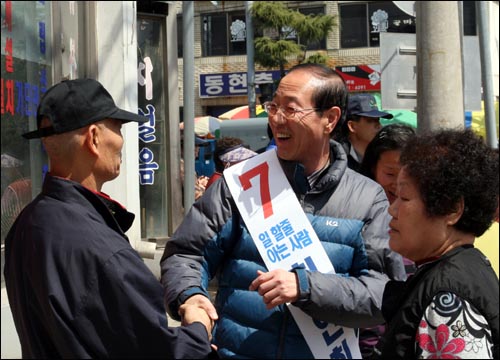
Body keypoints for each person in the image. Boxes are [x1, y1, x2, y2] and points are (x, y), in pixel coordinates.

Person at [160, 63, 406, 358]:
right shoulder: (241, 183)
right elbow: (188, 253)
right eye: (273, 106)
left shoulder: (367, 199)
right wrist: (190, 295)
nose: (276, 118)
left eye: (290, 109)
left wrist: (306, 287)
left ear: (330, 119)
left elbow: (385, 294)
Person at [3, 79, 214, 359]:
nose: (122, 141)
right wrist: (199, 324)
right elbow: (167, 351)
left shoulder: (26, 224)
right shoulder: (100, 248)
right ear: (93, 138)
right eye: (118, 128)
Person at [375, 129, 499, 359]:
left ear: (452, 209)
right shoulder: (458, 271)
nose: (392, 209)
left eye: (404, 197)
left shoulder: (448, 298)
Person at [358, 123, 417, 358]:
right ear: (372, 169)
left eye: (407, 175)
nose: (397, 184)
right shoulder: (356, 212)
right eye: (390, 174)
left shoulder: (426, 219)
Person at [333, 93, 393, 172]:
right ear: (352, 126)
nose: (379, 126)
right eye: (371, 120)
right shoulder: (336, 159)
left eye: (378, 120)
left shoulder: (383, 156)